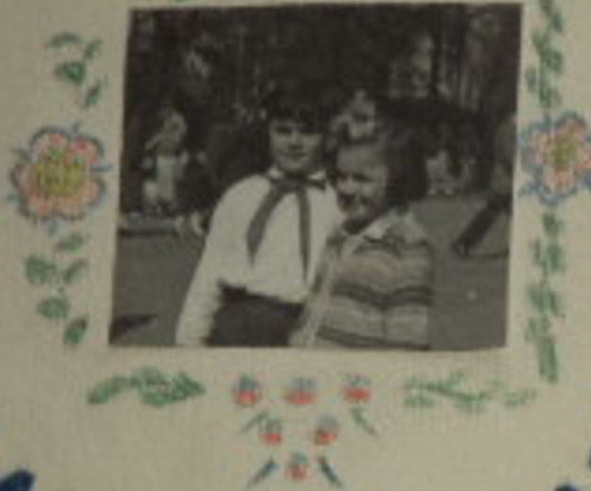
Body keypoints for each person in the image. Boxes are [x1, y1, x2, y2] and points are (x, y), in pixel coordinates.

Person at [173, 82, 340, 346]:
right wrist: (188, 342)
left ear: (326, 137)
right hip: (237, 327)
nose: (294, 142)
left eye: (307, 132)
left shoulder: (337, 203)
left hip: (306, 329)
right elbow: (209, 273)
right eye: (283, 131)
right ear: (268, 133)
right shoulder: (241, 195)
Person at [294, 120, 436, 350]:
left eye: (361, 179)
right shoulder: (340, 234)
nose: (346, 189)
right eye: (341, 177)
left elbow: (408, 342)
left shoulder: (408, 247)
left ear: (397, 180)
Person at [450, 109, 517, 257]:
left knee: (501, 215)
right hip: (506, 181)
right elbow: (510, 156)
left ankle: (464, 243)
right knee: (489, 215)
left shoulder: (506, 127)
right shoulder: (509, 129)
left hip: (506, 180)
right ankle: (463, 243)